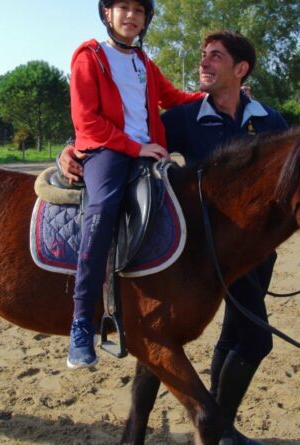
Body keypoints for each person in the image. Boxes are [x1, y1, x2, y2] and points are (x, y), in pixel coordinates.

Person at [61, 30, 287, 444]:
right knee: (209, 335)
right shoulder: (185, 118)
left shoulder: (269, 120)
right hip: (198, 255)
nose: (204, 62)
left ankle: (223, 425)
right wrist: (73, 147)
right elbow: (127, 131)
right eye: (204, 55)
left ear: (240, 69)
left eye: (215, 56)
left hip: (253, 253)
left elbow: (297, 163)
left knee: (246, 336)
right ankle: (205, 428)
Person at [65, 0, 204, 369]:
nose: (131, 16)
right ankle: (81, 323)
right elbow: (87, 122)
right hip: (107, 151)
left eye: (139, 11)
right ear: (107, 13)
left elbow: (173, 98)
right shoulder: (89, 57)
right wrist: (134, 146)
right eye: (123, 7)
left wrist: (214, 95)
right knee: (102, 210)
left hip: (149, 153)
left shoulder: (144, 63)